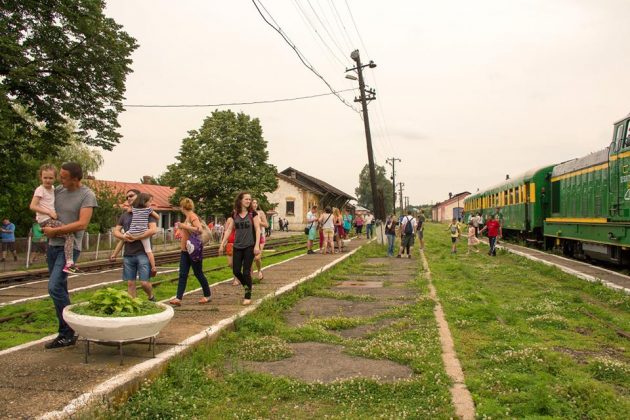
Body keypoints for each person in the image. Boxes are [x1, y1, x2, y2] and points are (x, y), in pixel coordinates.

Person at [42, 162, 97, 349]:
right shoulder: (58, 190)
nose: (60, 180)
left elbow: (82, 224)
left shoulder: (87, 195)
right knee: (60, 288)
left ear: (75, 179)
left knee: (54, 287)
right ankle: (66, 332)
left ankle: (68, 331)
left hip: (70, 248)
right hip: (52, 246)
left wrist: (55, 231)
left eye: (64, 177)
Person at [111, 189, 158, 301]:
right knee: (130, 283)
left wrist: (136, 237)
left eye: (131, 195)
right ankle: (133, 304)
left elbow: (153, 230)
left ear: (138, 197)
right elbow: (116, 231)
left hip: (143, 253)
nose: (128, 198)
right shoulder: (125, 215)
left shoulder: (147, 212)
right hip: (128, 253)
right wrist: (124, 237)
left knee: (144, 282)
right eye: (127, 197)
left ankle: (151, 296)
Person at [219, 192, 261, 305]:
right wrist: (223, 243)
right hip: (237, 246)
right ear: (240, 200)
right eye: (246, 199)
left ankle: (247, 295)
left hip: (249, 246)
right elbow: (229, 229)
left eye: (249, 199)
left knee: (246, 272)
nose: (248, 201)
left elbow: (257, 229)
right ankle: (247, 286)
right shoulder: (235, 214)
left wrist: (257, 245)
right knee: (236, 271)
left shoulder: (253, 214)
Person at [169, 198, 212, 306]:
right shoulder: (187, 217)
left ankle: (207, 295)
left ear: (182, 207)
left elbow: (199, 229)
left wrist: (183, 226)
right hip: (185, 251)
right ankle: (178, 298)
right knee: (182, 274)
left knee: (198, 273)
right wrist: (181, 230)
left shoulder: (192, 216)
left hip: (193, 251)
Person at [123, 193, 159, 277]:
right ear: (144, 202)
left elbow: (128, 210)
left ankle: (130, 241)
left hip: (132, 231)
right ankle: (153, 267)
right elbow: (157, 217)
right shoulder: (148, 210)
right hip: (143, 232)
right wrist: (151, 212)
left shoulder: (134, 209)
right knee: (148, 251)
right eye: (150, 202)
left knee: (124, 237)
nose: (150, 203)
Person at [251, 199, 268, 280]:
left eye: (256, 203)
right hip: (250, 237)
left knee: (257, 258)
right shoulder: (247, 213)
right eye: (253, 203)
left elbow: (266, 225)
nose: (255, 204)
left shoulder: (260, 213)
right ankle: (250, 277)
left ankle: (259, 270)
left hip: (260, 237)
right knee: (250, 259)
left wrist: (258, 222)